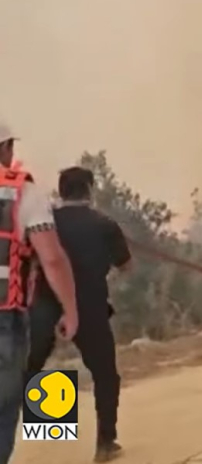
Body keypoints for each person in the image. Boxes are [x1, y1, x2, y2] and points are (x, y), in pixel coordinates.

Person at [27, 166, 131, 463]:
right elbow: (125, 265)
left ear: (61, 192)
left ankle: (50, 434)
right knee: (104, 374)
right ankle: (105, 444)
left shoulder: (44, 222)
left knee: (29, 368)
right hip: (89, 306)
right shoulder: (105, 224)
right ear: (89, 190)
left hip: (46, 305)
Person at [0, 124, 78, 464]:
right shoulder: (29, 199)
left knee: (32, 378)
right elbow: (54, 259)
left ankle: (50, 440)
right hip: (29, 310)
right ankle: (57, 443)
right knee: (32, 381)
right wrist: (72, 309)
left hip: (32, 306)